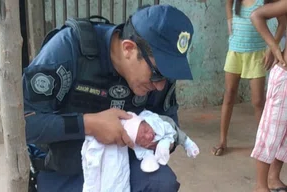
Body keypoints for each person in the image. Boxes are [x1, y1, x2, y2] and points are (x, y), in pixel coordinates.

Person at [23, 4, 194, 192]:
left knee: (161, 183)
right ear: (128, 48)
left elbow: (170, 125)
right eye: (157, 74)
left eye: (168, 76)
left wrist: (160, 139)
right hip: (63, 168)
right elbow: (24, 123)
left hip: (122, 164)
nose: (160, 85)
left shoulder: (160, 74)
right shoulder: (69, 48)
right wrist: (89, 124)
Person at [211, 0, 286, 156]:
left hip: (257, 55)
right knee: (229, 95)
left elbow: (282, 22)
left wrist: (272, 48)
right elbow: (227, 4)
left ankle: (263, 145)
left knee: (258, 101)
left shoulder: (265, 0)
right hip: (234, 52)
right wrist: (229, 21)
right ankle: (222, 140)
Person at [81, 110, 199, 192]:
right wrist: (86, 123)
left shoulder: (154, 121)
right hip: (75, 149)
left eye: (146, 129)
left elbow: (172, 125)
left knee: (163, 183)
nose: (148, 136)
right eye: (143, 137)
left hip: (135, 155)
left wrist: (167, 144)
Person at [249, 1, 287, 191]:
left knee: (285, 135)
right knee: (271, 132)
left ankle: (273, 178)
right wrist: (273, 47)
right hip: (285, 79)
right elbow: (257, 15)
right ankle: (260, 186)